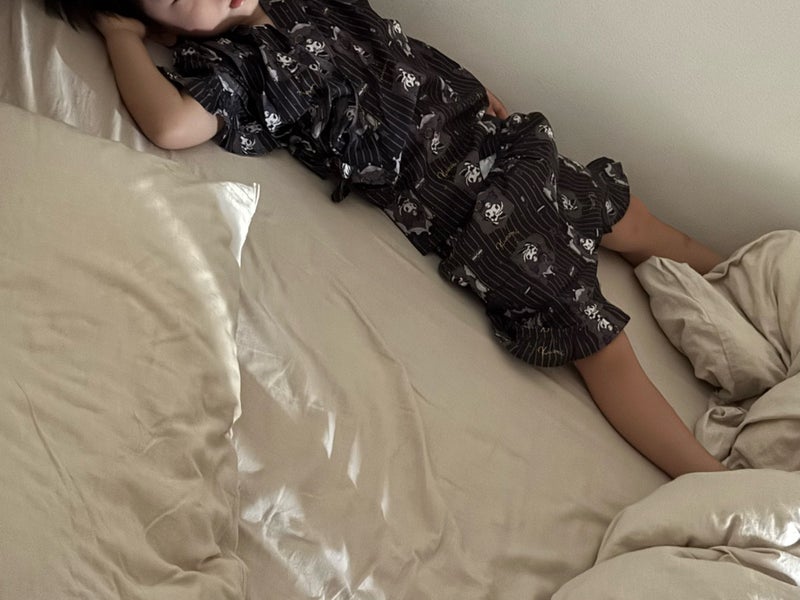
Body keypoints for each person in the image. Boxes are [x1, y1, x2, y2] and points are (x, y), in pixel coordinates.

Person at [45, 0, 727, 478]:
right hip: (474, 213)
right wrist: (119, 36)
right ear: (161, 27)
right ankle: (708, 477)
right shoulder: (242, 65)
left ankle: (736, 274)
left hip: (496, 142)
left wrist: (473, 86)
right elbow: (170, 126)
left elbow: (395, 42)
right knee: (596, 341)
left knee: (631, 217)